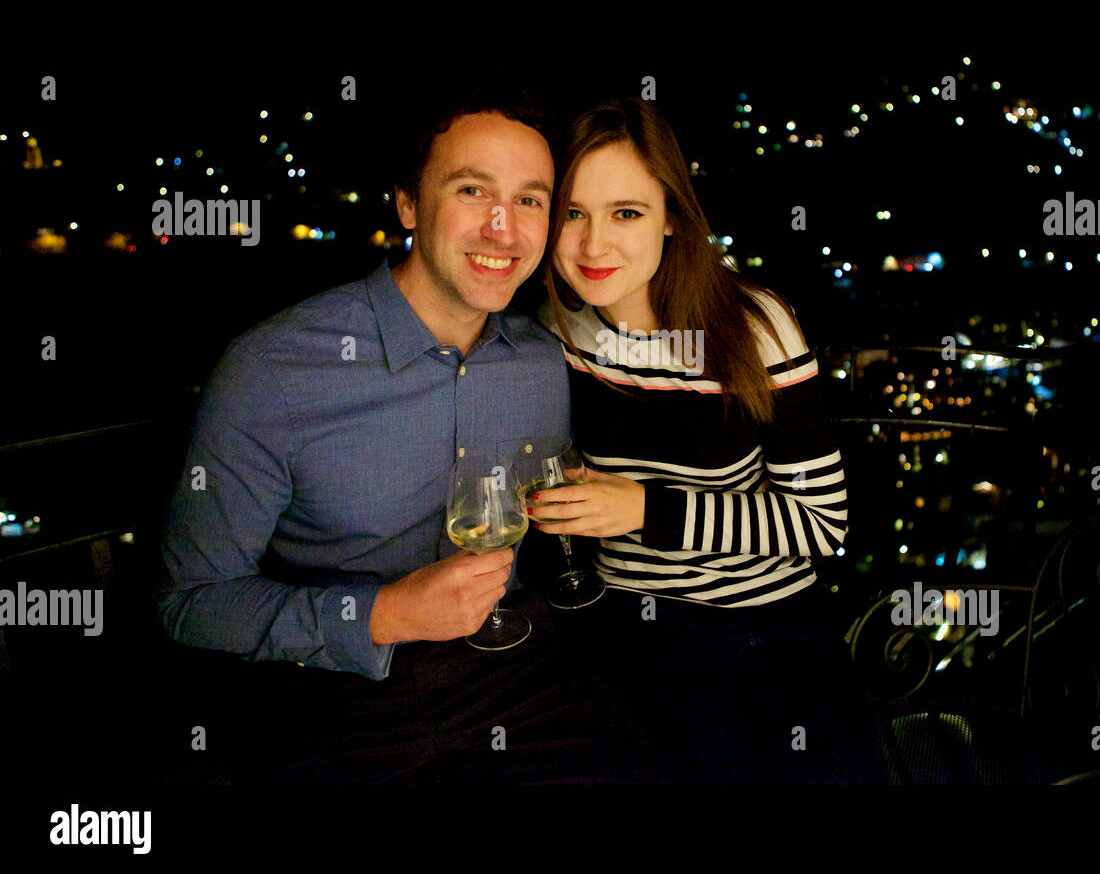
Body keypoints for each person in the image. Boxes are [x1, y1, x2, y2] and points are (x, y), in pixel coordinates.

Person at [154, 81, 607, 784]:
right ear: (406, 203)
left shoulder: (544, 363)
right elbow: (191, 602)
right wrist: (385, 614)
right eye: (470, 191)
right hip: (331, 696)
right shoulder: (273, 370)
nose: (502, 227)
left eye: (529, 200)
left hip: (515, 674)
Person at [535, 97, 883, 783]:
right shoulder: (558, 330)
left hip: (766, 629)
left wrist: (644, 510)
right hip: (630, 631)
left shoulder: (752, 326)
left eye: (625, 213)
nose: (593, 244)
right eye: (572, 213)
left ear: (673, 218)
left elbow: (823, 520)